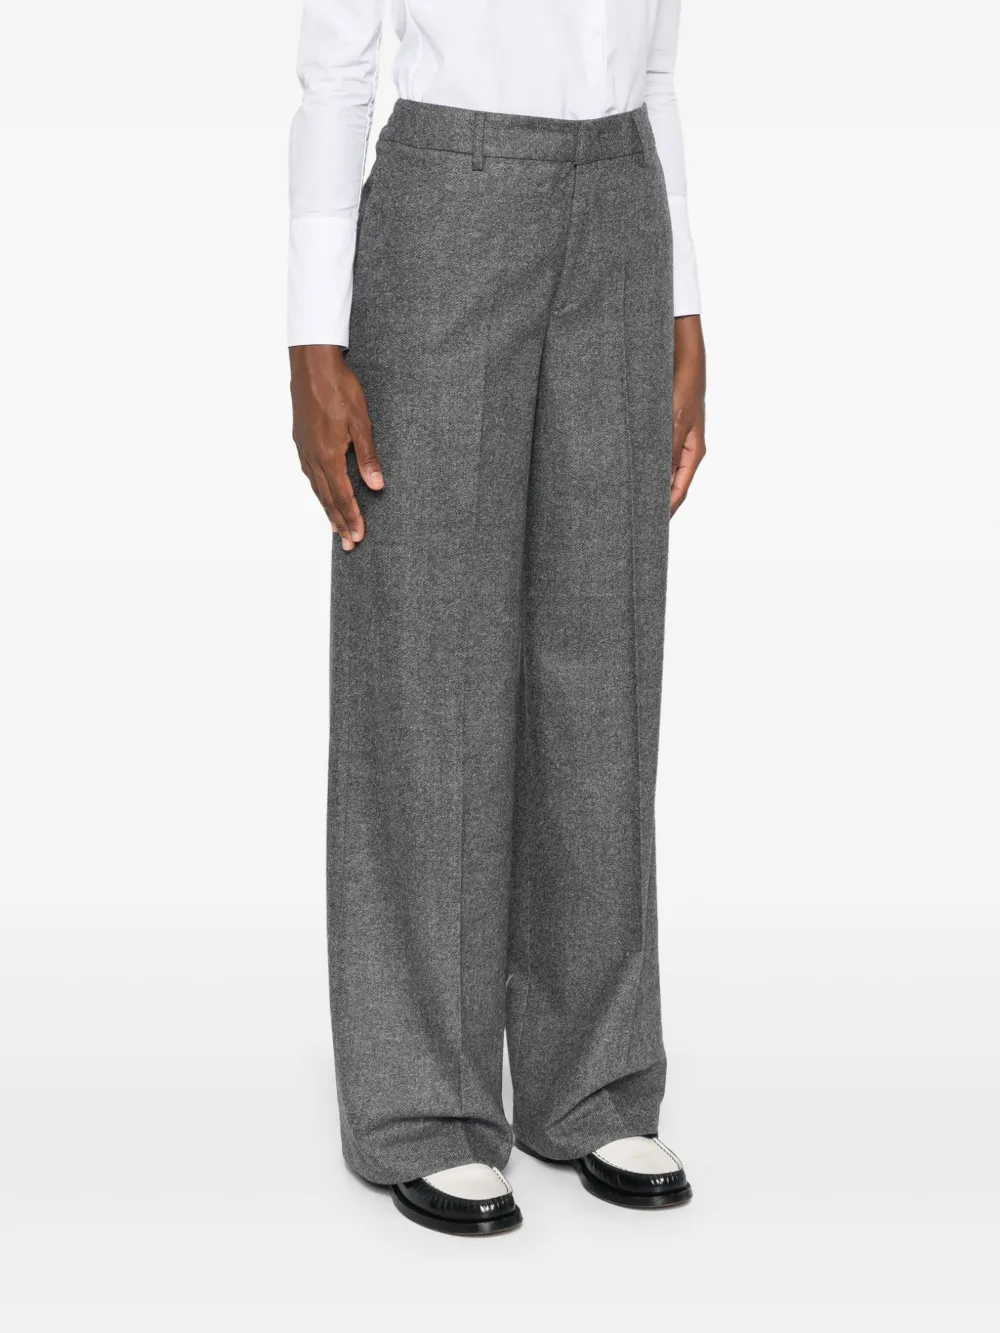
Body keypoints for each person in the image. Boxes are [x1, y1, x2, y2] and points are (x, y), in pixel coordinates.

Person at [288, 0, 707, 1236]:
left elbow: (658, 66)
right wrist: (313, 333)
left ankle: (594, 1076)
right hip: (446, 197)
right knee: (431, 655)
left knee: (603, 654)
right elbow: (336, 65)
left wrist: (684, 297)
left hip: (620, 197)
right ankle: (424, 1102)